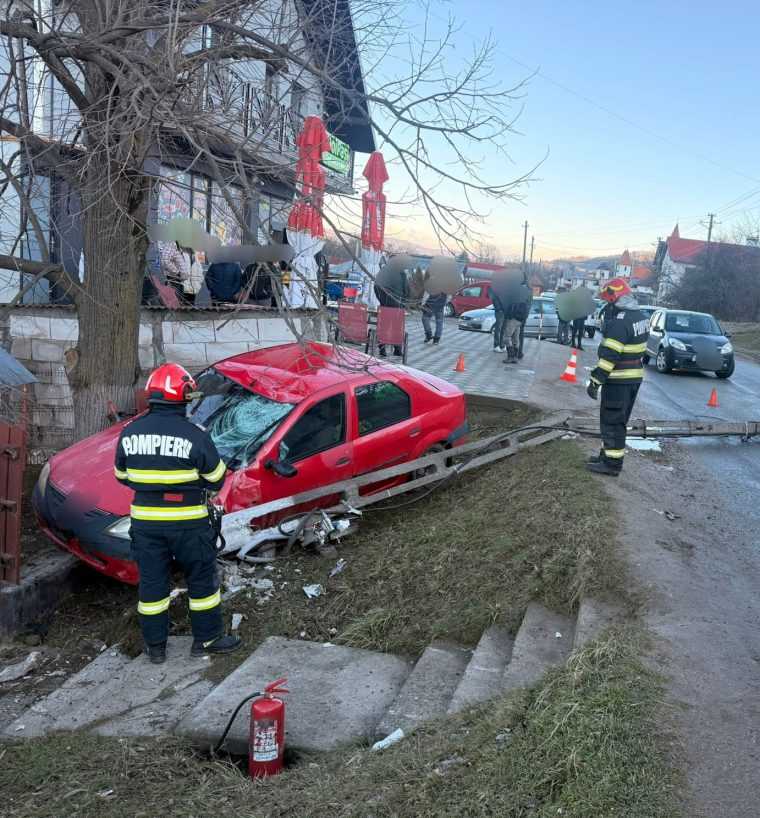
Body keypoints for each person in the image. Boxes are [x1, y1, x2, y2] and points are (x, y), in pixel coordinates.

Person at [114, 363, 242, 664]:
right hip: (189, 523)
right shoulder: (194, 434)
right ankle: (207, 640)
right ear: (182, 397)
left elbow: (122, 475)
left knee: (153, 584)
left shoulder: (130, 432)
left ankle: (155, 647)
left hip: (146, 524)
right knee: (201, 581)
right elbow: (217, 478)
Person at [586, 277, 650, 477]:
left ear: (616, 298)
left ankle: (612, 464)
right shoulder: (640, 316)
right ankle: (606, 456)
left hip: (619, 379)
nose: (608, 307)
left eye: (609, 302)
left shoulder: (620, 323)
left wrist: (596, 381)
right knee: (617, 420)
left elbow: (610, 356)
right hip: (633, 378)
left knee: (612, 421)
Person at [374, 263, 408, 357]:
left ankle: (382, 349)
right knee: (397, 328)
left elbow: (376, 286)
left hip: (385, 305)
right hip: (397, 306)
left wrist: (380, 299)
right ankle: (397, 349)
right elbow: (407, 290)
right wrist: (403, 303)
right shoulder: (402, 273)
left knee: (384, 326)